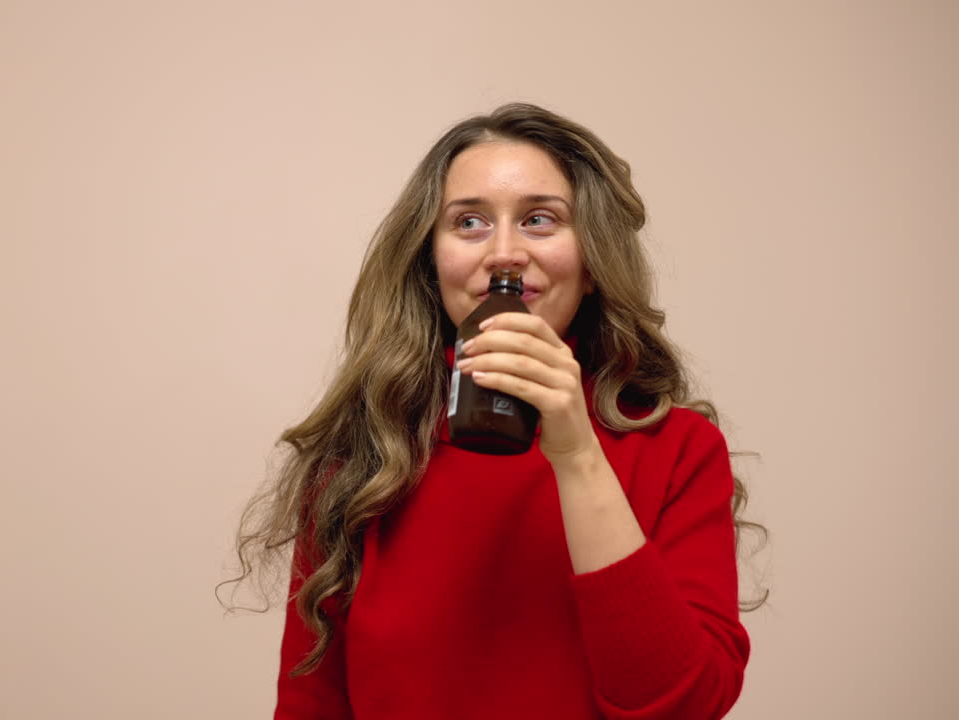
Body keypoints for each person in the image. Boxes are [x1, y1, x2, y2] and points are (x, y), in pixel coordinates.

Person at [220, 102, 768, 719]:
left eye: (539, 220)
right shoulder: (363, 457)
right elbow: (309, 707)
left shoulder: (679, 451)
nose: (504, 252)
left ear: (591, 264)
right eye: (470, 223)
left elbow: (685, 705)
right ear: (432, 262)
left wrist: (578, 454)